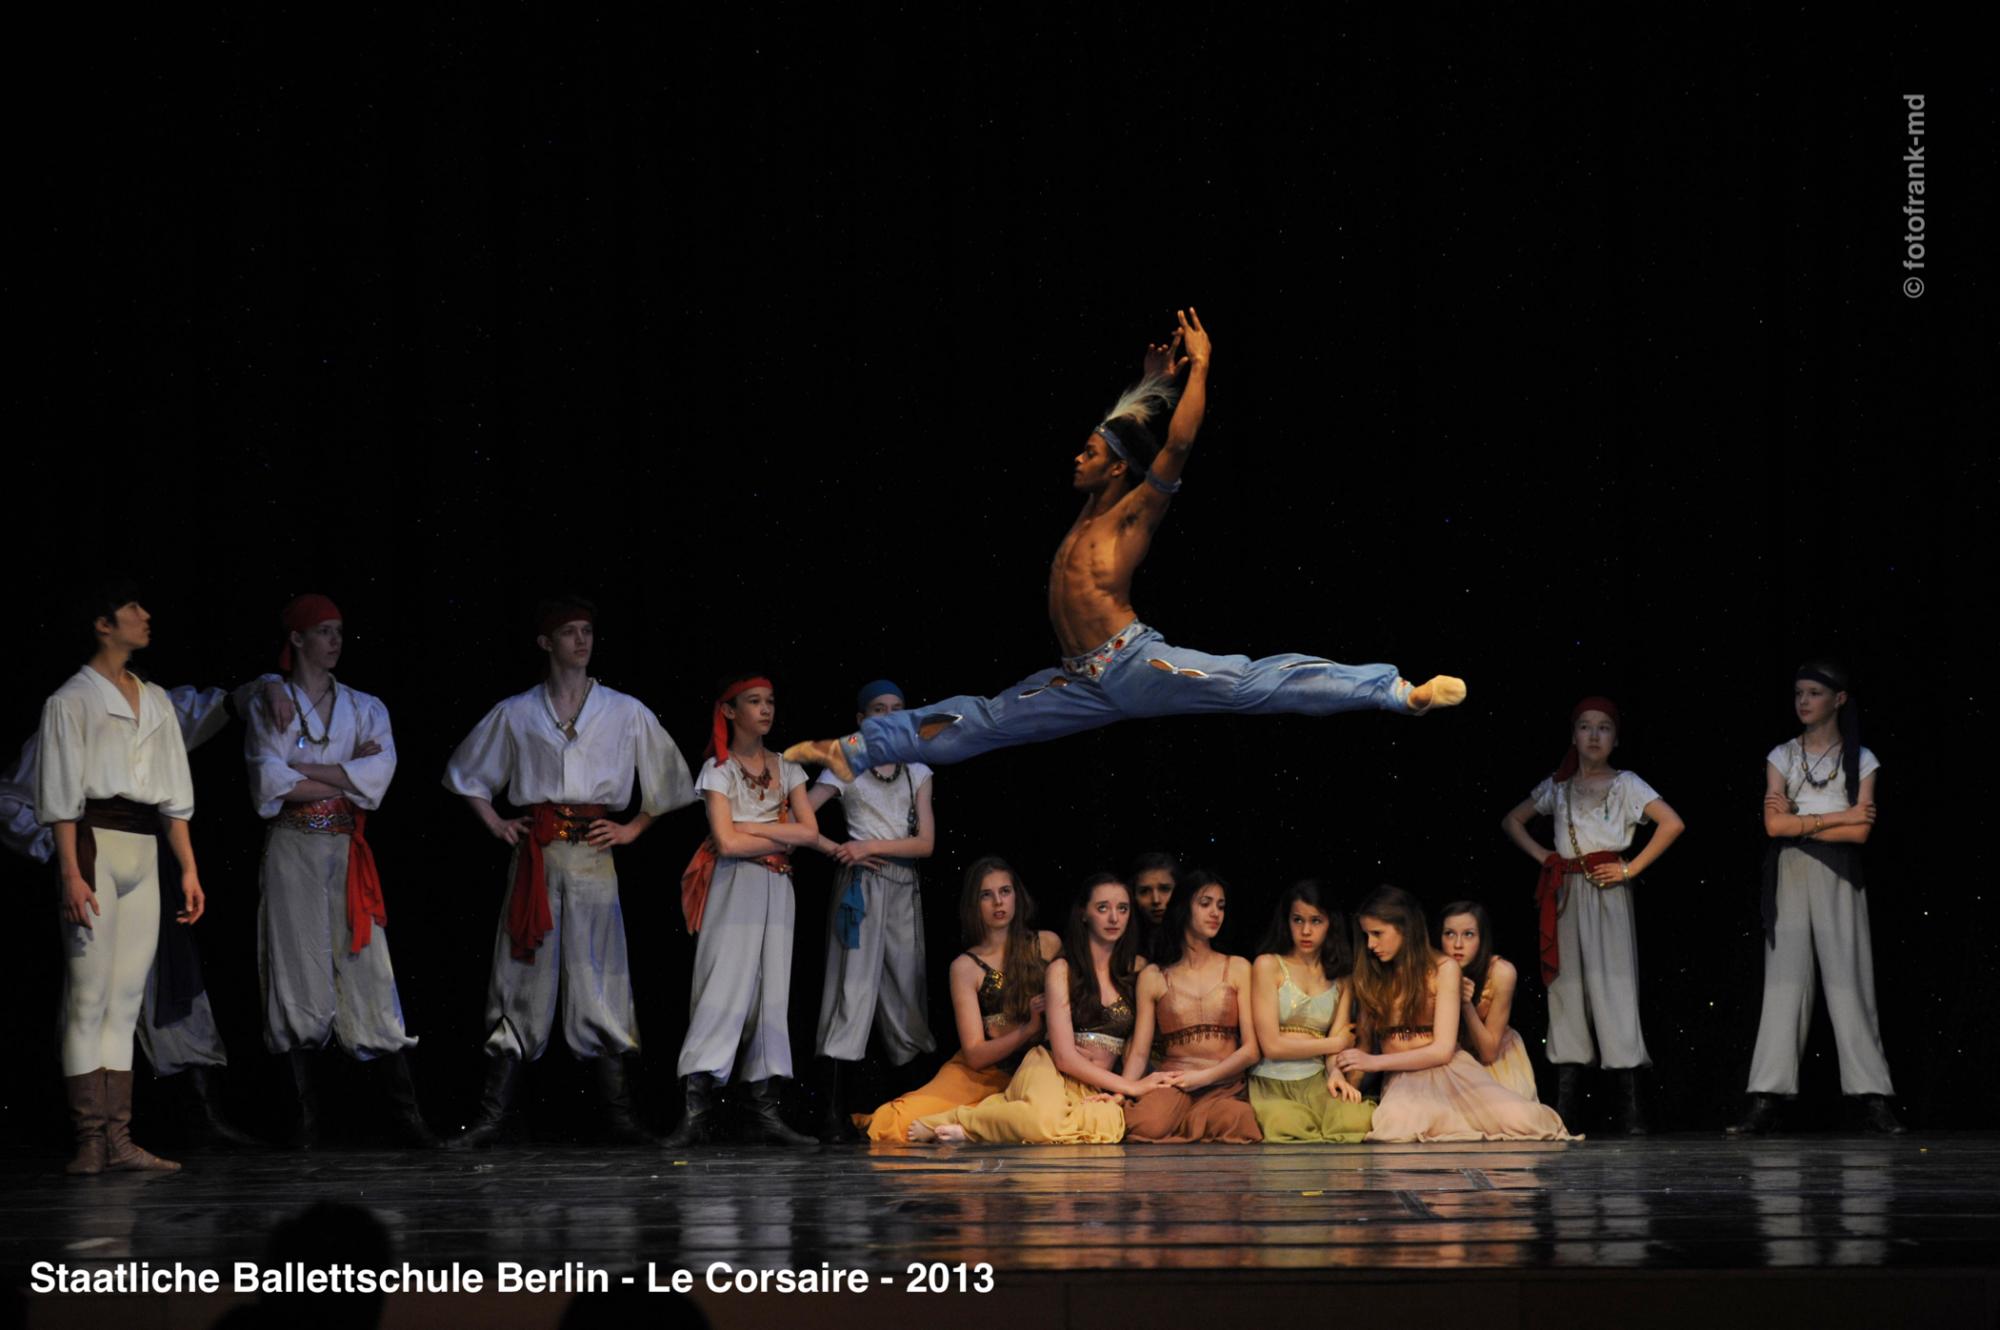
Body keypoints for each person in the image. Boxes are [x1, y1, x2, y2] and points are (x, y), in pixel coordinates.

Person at [784, 310, 1463, 782]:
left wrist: (1199, 371)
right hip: (1079, 680)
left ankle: (1397, 692)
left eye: (1089, 452)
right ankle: (856, 749)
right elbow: (1128, 429)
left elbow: (1177, 445)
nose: (1074, 458)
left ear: (1114, 469)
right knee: (982, 721)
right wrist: (1153, 383)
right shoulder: (1088, 511)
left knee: (1253, 683)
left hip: (1134, 665)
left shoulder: (1135, 513)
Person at [444, 599, 696, 1147]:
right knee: (520, 973)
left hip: (592, 857)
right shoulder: (517, 711)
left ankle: (621, 1116)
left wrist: (633, 828)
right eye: (569, 633)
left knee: (599, 974)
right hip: (536, 855)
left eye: (587, 632)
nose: (581, 641)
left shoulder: (623, 710)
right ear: (545, 643)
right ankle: (493, 1114)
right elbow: (466, 774)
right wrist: (494, 823)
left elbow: (672, 780)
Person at [5, 679, 265, 1147]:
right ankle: (97, 1133)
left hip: (148, 868)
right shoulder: (66, 723)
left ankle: (192, 1118)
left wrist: (240, 698)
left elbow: (195, 712)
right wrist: (64, 854)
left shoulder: (150, 713)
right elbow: (12, 799)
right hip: (94, 872)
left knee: (168, 982)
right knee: (95, 995)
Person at [245, 594, 434, 1147]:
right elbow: (268, 783)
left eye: (339, 631)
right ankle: (304, 1123)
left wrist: (305, 768)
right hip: (292, 848)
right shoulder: (269, 703)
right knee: (296, 972)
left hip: (345, 850)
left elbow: (379, 779)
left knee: (368, 970)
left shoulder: (366, 706)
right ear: (298, 639)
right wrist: (345, 775)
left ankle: (407, 1120)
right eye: (323, 631)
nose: (335, 641)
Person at [41, 587, 205, 1173]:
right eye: (133, 610)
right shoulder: (71, 700)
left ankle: (120, 1138)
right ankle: (90, 1140)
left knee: (127, 999)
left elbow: (174, 798)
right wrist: (69, 873)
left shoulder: (156, 700)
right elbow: (61, 797)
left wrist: (186, 867)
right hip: (94, 848)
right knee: (88, 996)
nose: (146, 616)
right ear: (103, 623)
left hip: (142, 848)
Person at [1731, 661, 1901, 1135]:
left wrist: (1804, 822)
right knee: (1784, 984)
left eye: (1814, 693)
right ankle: (1765, 1096)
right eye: (1798, 693)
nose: (1803, 701)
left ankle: (1872, 1097)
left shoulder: (1859, 758)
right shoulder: (1782, 755)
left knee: (1850, 979)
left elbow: (1862, 831)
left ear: (1838, 699)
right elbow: (1773, 827)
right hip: (1788, 872)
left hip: (1839, 874)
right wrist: (1836, 817)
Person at [1500, 696, 1684, 1133]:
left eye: (1604, 727)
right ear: (1573, 735)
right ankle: (1566, 1107)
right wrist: (1544, 854)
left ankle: (1632, 1109)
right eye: (1586, 726)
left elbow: (1672, 823)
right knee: (1567, 987)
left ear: (1616, 738)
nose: (1594, 735)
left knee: (1614, 985)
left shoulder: (1627, 784)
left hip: (1607, 889)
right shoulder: (1558, 786)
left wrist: (1630, 868)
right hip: (1564, 890)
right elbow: (1512, 821)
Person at [666, 675, 824, 1147]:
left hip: (778, 887)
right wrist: (778, 831)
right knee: (724, 985)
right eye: (754, 702)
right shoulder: (719, 770)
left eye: (770, 701)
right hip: (733, 887)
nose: (765, 709)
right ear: (730, 710)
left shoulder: (788, 768)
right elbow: (726, 843)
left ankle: (765, 1107)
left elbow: (810, 833)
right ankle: (696, 1108)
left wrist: (744, 828)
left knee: (772, 991)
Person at [915, 873, 1168, 1143]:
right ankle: (966, 1122)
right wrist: (1131, 1086)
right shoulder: (1062, 969)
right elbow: (1064, 1057)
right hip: (1051, 1069)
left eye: (1123, 909)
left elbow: (1138, 1049)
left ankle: (986, 1123)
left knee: (1105, 1126)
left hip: (1101, 1082)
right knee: (1043, 1122)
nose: (1114, 918)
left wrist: (1120, 1094)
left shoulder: (1140, 970)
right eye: (1103, 908)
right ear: (1084, 913)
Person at [1334, 887, 1573, 1142]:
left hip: (1452, 1069)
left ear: (1404, 928)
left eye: (1377, 934)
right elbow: (1362, 1045)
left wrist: (1373, 1062)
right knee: (1398, 1127)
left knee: (1524, 1120)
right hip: (1405, 1077)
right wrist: (1346, 1080)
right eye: (1367, 935)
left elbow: (1442, 1050)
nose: (1371, 944)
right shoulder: (1370, 974)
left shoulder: (1444, 968)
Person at [806, 680, 937, 1141]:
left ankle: (910, 1110)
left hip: (902, 884)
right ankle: (831, 1114)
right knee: (852, 988)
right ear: (862, 720)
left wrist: (868, 845)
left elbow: (926, 843)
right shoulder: (847, 765)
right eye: (879, 709)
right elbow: (798, 813)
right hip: (859, 888)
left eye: (897, 708)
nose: (889, 715)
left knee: (906, 987)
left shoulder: (915, 768)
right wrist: (835, 848)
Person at [853, 857, 1058, 1142]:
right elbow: (975, 1054)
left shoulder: (1047, 944)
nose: (998, 902)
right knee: (898, 1122)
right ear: (974, 904)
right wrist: (1026, 1031)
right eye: (986, 895)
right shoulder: (966, 966)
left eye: (1005, 892)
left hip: (1039, 1071)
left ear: (1017, 896)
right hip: (984, 1073)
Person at [1122, 869, 1262, 1143]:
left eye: (1221, 906)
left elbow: (1251, 1050)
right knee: (1144, 1124)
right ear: (1184, 907)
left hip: (1223, 1084)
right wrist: (1121, 1092)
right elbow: (1139, 1053)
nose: (1215, 913)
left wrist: (1204, 1078)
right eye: (1205, 903)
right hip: (1172, 1084)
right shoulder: (1153, 975)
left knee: (1237, 1119)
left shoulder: (1237, 967)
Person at [1248, 880, 1374, 1142]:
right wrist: (1334, 1042)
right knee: (1289, 1124)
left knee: (1354, 1120)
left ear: (1330, 924)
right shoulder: (1268, 965)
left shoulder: (1341, 978)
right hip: (1272, 1080)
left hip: (1317, 1079)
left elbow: (1335, 1049)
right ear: (1287, 922)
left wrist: (1337, 1073)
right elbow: (1272, 1046)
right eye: (1298, 920)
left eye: (1316, 921)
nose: (1306, 930)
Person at [1438, 900, 1538, 1102]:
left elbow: (1489, 1052)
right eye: (1449, 934)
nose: (1458, 944)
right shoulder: (1434, 969)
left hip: (1492, 1058)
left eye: (1468, 934)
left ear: (1482, 938)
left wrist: (1466, 1004)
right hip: (1451, 1057)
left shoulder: (1501, 972)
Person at [1129, 851, 1179, 959]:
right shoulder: (1122, 946)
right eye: (1144, 891)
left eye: (1165, 889)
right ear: (1133, 896)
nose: (1156, 900)